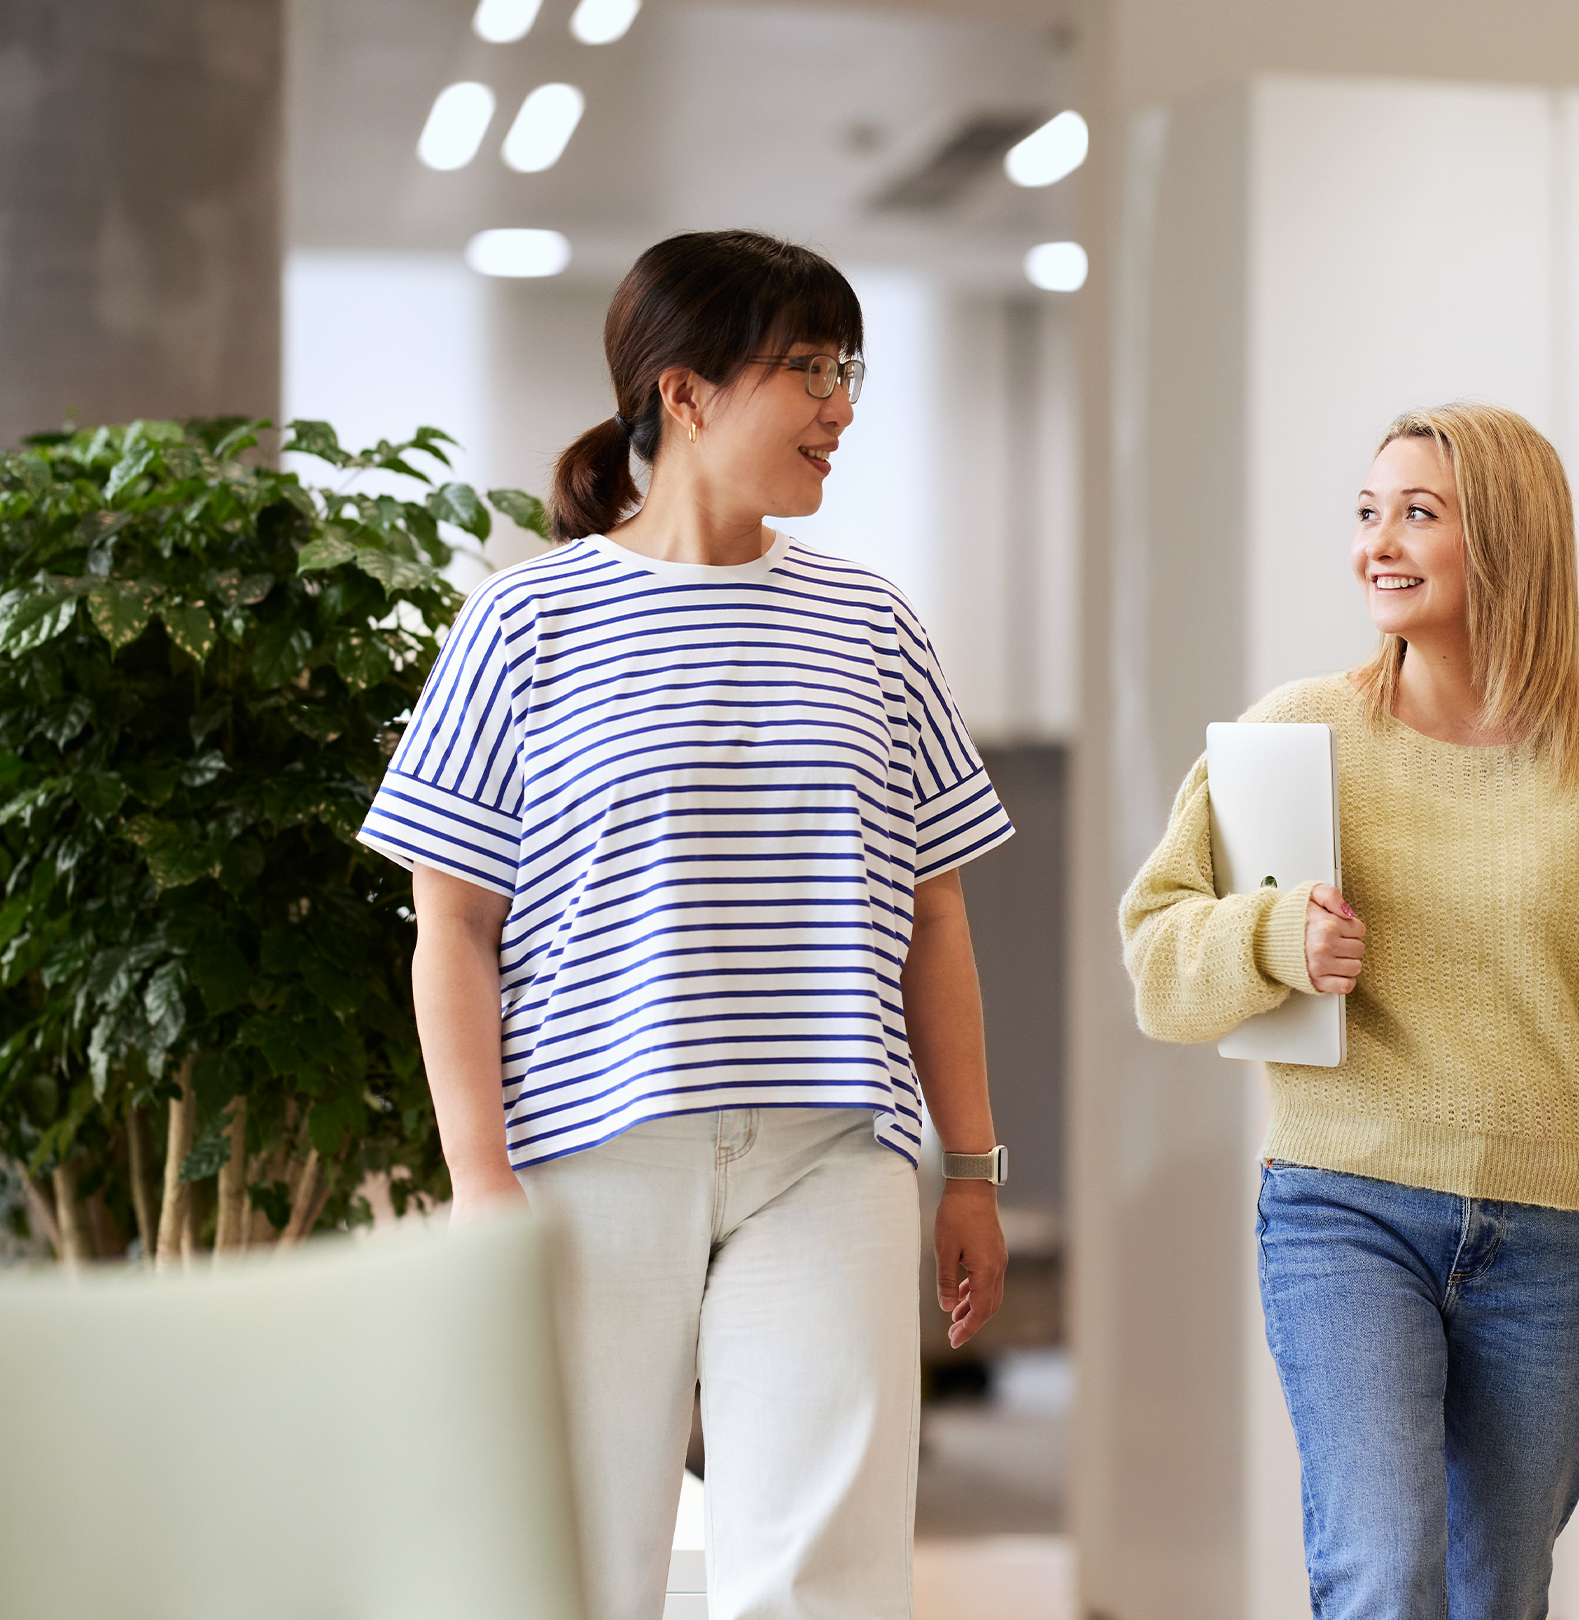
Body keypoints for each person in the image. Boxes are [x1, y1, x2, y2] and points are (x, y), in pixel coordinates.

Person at [358, 229, 1013, 1620]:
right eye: (808, 369)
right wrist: (481, 1185)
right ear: (686, 394)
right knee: (574, 1566)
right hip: (587, 1154)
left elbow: (935, 913)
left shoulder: (874, 623)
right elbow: (450, 924)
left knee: (822, 1584)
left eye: (851, 368)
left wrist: (972, 1167)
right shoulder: (525, 619)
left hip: (832, 1153)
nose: (842, 403)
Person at [1119, 402, 1579, 1620]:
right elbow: (1157, 959)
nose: (1376, 542)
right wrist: (1269, 937)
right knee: (1383, 1566)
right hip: (1342, 1209)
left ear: (1508, 539)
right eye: (1367, 512)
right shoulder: (1295, 735)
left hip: (1546, 1242)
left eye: (1416, 514)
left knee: (1497, 1592)